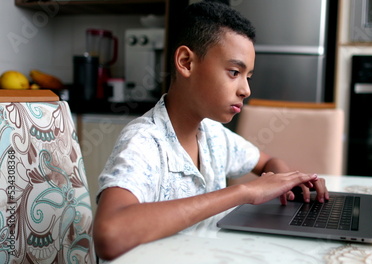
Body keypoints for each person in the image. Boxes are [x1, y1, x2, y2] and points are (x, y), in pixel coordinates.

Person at [93, 1, 330, 261]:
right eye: (233, 72)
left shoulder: (213, 135)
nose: (246, 90)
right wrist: (245, 192)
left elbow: (266, 162)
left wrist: (289, 181)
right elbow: (110, 234)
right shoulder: (145, 141)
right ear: (186, 63)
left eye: (247, 76)